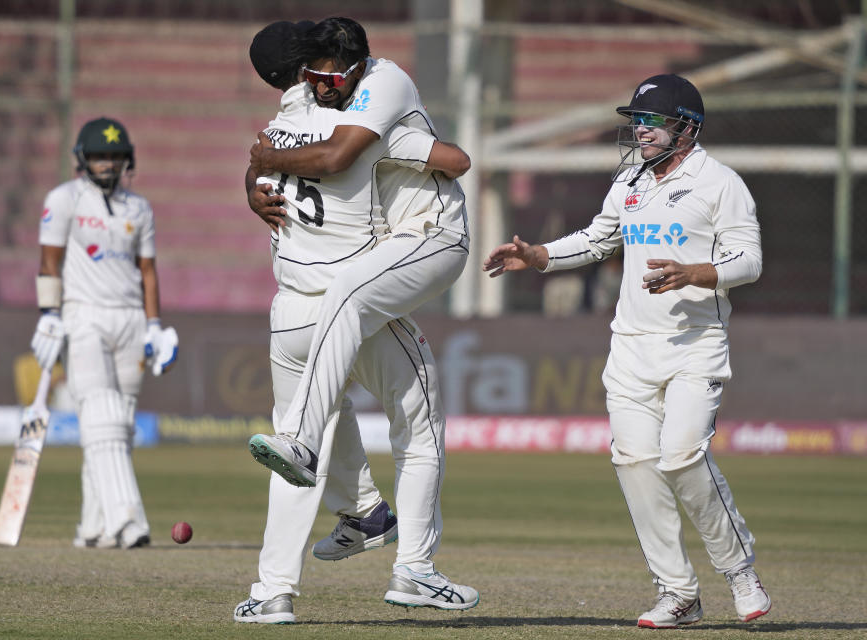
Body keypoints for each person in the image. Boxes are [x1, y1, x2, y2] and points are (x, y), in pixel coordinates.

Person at [483, 74, 770, 628]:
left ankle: (739, 571)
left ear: (686, 126)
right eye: (636, 120)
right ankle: (677, 593)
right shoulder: (630, 180)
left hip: (694, 343)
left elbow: (750, 260)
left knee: (684, 458)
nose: (640, 130)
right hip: (631, 348)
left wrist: (697, 273)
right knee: (634, 463)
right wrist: (540, 254)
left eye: (652, 121)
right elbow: (598, 238)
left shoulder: (720, 182)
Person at [238, 17, 478, 620]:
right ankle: (414, 569)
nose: (324, 82)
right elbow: (452, 158)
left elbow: (275, 159)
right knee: (415, 429)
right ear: (302, 71)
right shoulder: (364, 123)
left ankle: (274, 591)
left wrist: (255, 173)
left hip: (291, 308)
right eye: (315, 71)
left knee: (302, 438)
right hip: (352, 301)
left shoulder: (280, 127)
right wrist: (420, 148)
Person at [30, 117, 178, 549]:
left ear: (126, 160)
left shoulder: (140, 208)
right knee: (102, 415)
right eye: (99, 156)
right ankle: (128, 521)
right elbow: (49, 263)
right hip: (83, 316)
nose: (107, 163)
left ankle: (92, 527)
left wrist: (154, 326)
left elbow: (148, 271)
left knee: (120, 426)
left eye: (114, 156)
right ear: (83, 159)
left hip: (131, 319)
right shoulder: (63, 200)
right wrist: (48, 314)